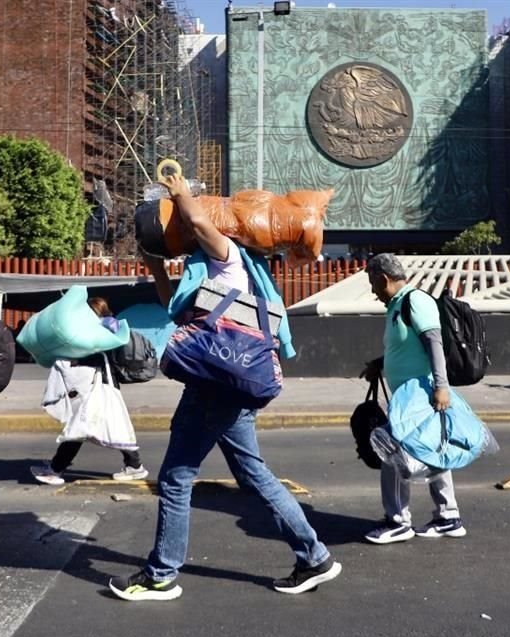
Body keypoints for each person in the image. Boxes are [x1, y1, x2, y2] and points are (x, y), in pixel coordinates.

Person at [108, 175, 340, 602]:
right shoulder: (239, 276)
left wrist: (178, 190)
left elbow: (198, 223)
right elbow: (175, 307)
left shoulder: (229, 256)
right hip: (231, 383)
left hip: (214, 388)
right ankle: (315, 556)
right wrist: (155, 262)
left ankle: (162, 575)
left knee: (176, 480)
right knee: (254, 475)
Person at [360, 253, 467, 544]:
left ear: (384, 278)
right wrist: (380, 363)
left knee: (390, 451)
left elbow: (434, 342)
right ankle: (448, 517)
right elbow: (408, 348)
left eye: (373, 283)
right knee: (434, 452)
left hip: (419, 396)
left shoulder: (415, 301)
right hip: (410, 395)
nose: (372, 290)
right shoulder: (397, 305)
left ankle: (398, 521)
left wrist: (441, 387)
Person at [29, 296, 149, 485]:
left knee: (81, 429)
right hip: (105, 385)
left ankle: (55, 470)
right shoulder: (110, 327)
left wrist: (77, 360)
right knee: (105, 429)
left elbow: (99, 357)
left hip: (101, 387)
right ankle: (134, 466)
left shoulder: (100, 330)